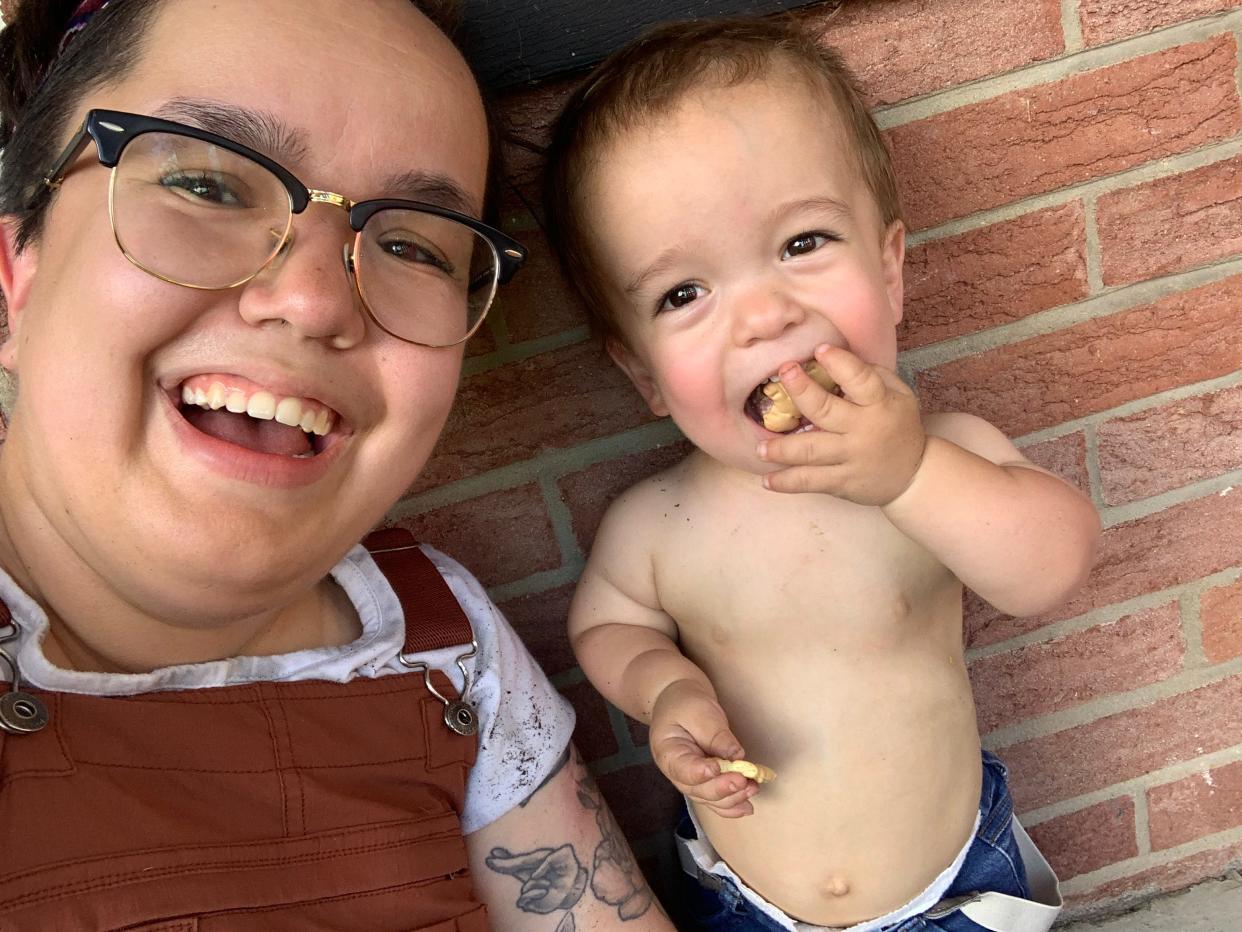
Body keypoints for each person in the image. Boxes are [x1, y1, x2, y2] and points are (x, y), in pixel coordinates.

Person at [0, 1, 674, 929]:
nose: (315, 299)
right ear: (17, 268)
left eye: (410, 245)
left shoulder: (441, 640)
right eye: (207, 184)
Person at [543, 16, 1100, 932]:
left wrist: (912, 471)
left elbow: (1052, 563)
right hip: (750, 903)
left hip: (952, 893)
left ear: (891, 272)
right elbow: (606, 623)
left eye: (802, 243)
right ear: (642, 374)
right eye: (684, 294)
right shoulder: (659, 521)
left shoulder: (946, 453)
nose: (763, 315)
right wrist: (665, 689)